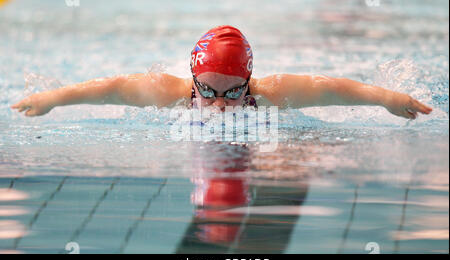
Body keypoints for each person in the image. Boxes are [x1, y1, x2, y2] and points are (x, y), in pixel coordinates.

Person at [11, 25, 432, 119]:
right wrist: (51, 99)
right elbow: (110, 88)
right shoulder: (165, 91)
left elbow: (334, 89)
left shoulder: (273, 92)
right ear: (192, 81)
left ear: (249, 83)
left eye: (233, 95)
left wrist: (389, 99)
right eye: (208, 92)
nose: (216, 107)